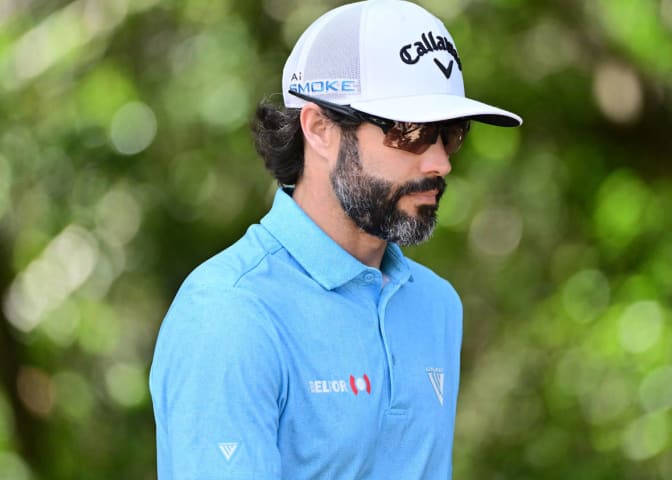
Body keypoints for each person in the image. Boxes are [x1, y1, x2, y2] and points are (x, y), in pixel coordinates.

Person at [148, 0, 521, 478]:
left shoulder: (436, 305)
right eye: (410, 131)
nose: (440, 162)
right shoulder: (229, 314)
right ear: (320, 128)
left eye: (450, 133)